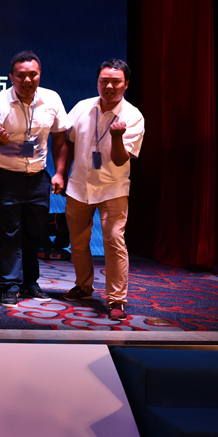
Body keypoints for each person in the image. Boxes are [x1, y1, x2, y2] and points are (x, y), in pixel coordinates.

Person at [0, 50, 69, 307]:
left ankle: (30, 283)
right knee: (7, 233)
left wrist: (60, 173)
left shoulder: (52, 99)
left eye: (33, 75)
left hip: (38, 177)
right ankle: (9, 285)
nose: (27, 80)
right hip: (4, 178)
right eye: (21, 76)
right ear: (11, 77)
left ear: (39, 74)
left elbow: (60, 138)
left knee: (34, 233)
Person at [60, 59, 144, 321]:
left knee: (114, 241)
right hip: (79, 185)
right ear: (97, 82)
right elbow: (67, 141)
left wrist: (117, 136)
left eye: (116, 82)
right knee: (78, 242)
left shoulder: (133, 115)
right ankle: (83, 286)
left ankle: (117, 298)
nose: (109, 86)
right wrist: (61, 173)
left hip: (113, 188)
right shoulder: (82, 107)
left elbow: (120, 160)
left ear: (126, 84)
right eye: (104, 81)